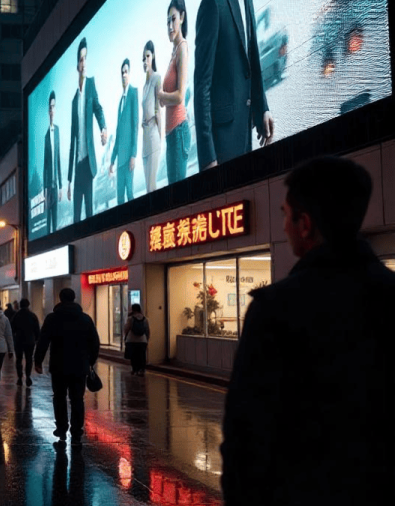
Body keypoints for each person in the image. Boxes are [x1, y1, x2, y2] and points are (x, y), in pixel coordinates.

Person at [221, 157, 394, 505]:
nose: (282, 225)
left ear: (304, 225)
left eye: (286, 214)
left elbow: (246, 438)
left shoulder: (275, 310)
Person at [194, 0, 273, 172]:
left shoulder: (247, 2)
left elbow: (251, 56)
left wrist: (262, 108)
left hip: (245, 128)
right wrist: (208, 157)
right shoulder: (212, 4)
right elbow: (202, 84)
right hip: (223, 141)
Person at [35, 288, 100, 446]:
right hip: (80, 366)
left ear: (60, 298)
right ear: (74, 298)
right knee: (77, 399)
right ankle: (77, 433)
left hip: (58, 366)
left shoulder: (52, 318)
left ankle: (62, 429)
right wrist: (90, 361)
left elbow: (43, 341)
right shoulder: (85, 319)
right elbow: (95, 342)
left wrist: (37, 361)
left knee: (59, 398)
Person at [68, 37, 108, 222]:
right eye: (81, 60)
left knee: (90, 213)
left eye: (85, 59)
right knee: (76, 217)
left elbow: (98, 109)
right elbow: (71, 143)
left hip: (88, 164)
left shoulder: (91, 84)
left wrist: (104, 128)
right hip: (77, 166)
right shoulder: (74, 100)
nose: (84, 63)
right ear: (77, 65)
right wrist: (68, 181)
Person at [157, 0, 191, 185]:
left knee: (178, 200)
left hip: (179, 132)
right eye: (167, 22)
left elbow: (179, 96)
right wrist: (162, 98)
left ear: (182, 18)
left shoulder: (182, 48)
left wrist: (161, 96)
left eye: (174, 19)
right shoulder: (174, 51)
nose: (170, 26)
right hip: (172, 135)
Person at [109, 58, 139, 205]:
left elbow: (135, 126)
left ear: (130, 73)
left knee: (130, 194)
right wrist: (112, 160)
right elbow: (118, 134)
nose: (124, 75)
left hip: (128, 159)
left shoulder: (133, 93)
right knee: (120, 199)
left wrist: (133, 154)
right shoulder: (121, 101)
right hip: (120, 161)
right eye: (122, 72)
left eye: (126, 72)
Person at [141, 40, 163, 193]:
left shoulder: (156, 78)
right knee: (148, 190)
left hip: (154, 135)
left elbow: (158, 111)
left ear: (153, 56)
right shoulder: (144, 86)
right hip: (145, 140)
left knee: (152, 186)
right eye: (143, 58)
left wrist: (160, 138)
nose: (145, 61)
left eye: (147, 56)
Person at [44, 90, 63, 234]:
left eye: (54, 106)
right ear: (48, 111)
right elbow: (46, 164)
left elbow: (58, 160)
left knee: (55, 221)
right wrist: (45, 189)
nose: (52, 109)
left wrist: (61, 185)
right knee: (48, 222)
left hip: (56, 185)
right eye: (50, 107)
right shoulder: (46, 135)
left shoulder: (57, 131)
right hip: (48, 188)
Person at [11, 298, 41, 388]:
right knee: (29, 359)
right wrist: (36, 339)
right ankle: (28, 376)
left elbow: (12, 329)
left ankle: (19, 378)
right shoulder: (32, 315)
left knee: (19, 359)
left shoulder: (16, 315)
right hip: (30, 341)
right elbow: (37, 329)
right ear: (28, 305)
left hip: (19, 340)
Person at [123, 303, 150, 376]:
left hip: (132, 340)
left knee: (134, 356)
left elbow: (126, 329)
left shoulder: (130, 318)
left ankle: (135, 369)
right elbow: (147, 330)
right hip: (142, 340)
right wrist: (146, 339)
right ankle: (142, 370)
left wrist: (125, 337)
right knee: (142, 356)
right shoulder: (145, 318)